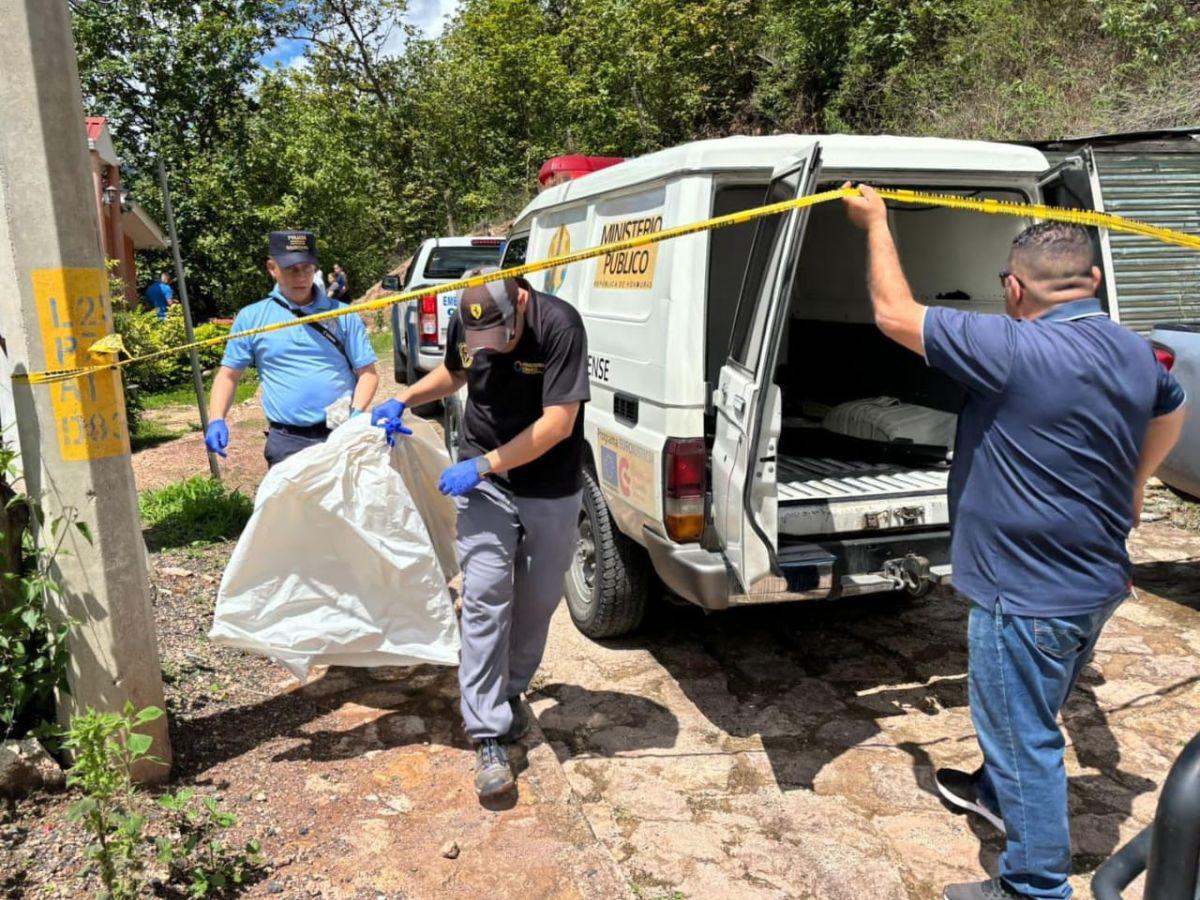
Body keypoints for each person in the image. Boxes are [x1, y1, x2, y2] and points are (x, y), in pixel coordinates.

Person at [842, 185, 1186, 900]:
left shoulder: (1013, 347)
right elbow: (1170, 410)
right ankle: (997, 793)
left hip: (1024, 597)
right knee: (1034, 707)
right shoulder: (1131, 351)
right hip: (1095, 586)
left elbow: (892, 314)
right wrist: (1138, 481)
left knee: (1023, 734)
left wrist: (874, 220)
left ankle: (1032, 885)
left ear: (1012, 287)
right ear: (1092, 280)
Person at [371, 266, 589, 799]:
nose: (491, 347)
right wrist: (404, 398)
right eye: (481, 340)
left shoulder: (559, 325)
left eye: (502, 337)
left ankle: (511, 691)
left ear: (519, 299)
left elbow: (559, 422)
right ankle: (487, 730)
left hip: (548, 483)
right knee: (488, 595)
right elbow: (455, 374)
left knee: (538, 601)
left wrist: (486, 463)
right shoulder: (471, 319)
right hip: (486, 482)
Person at [205, 230, 380, 467]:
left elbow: (367, 373)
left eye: (307, 268)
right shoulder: (252, 318)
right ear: (272, 267)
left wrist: (357, 413)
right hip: (287, 442)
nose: (301, 277)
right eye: (291, 269)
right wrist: (217, 419)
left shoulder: (342, 314)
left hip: (341, 434)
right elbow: (228, 375)